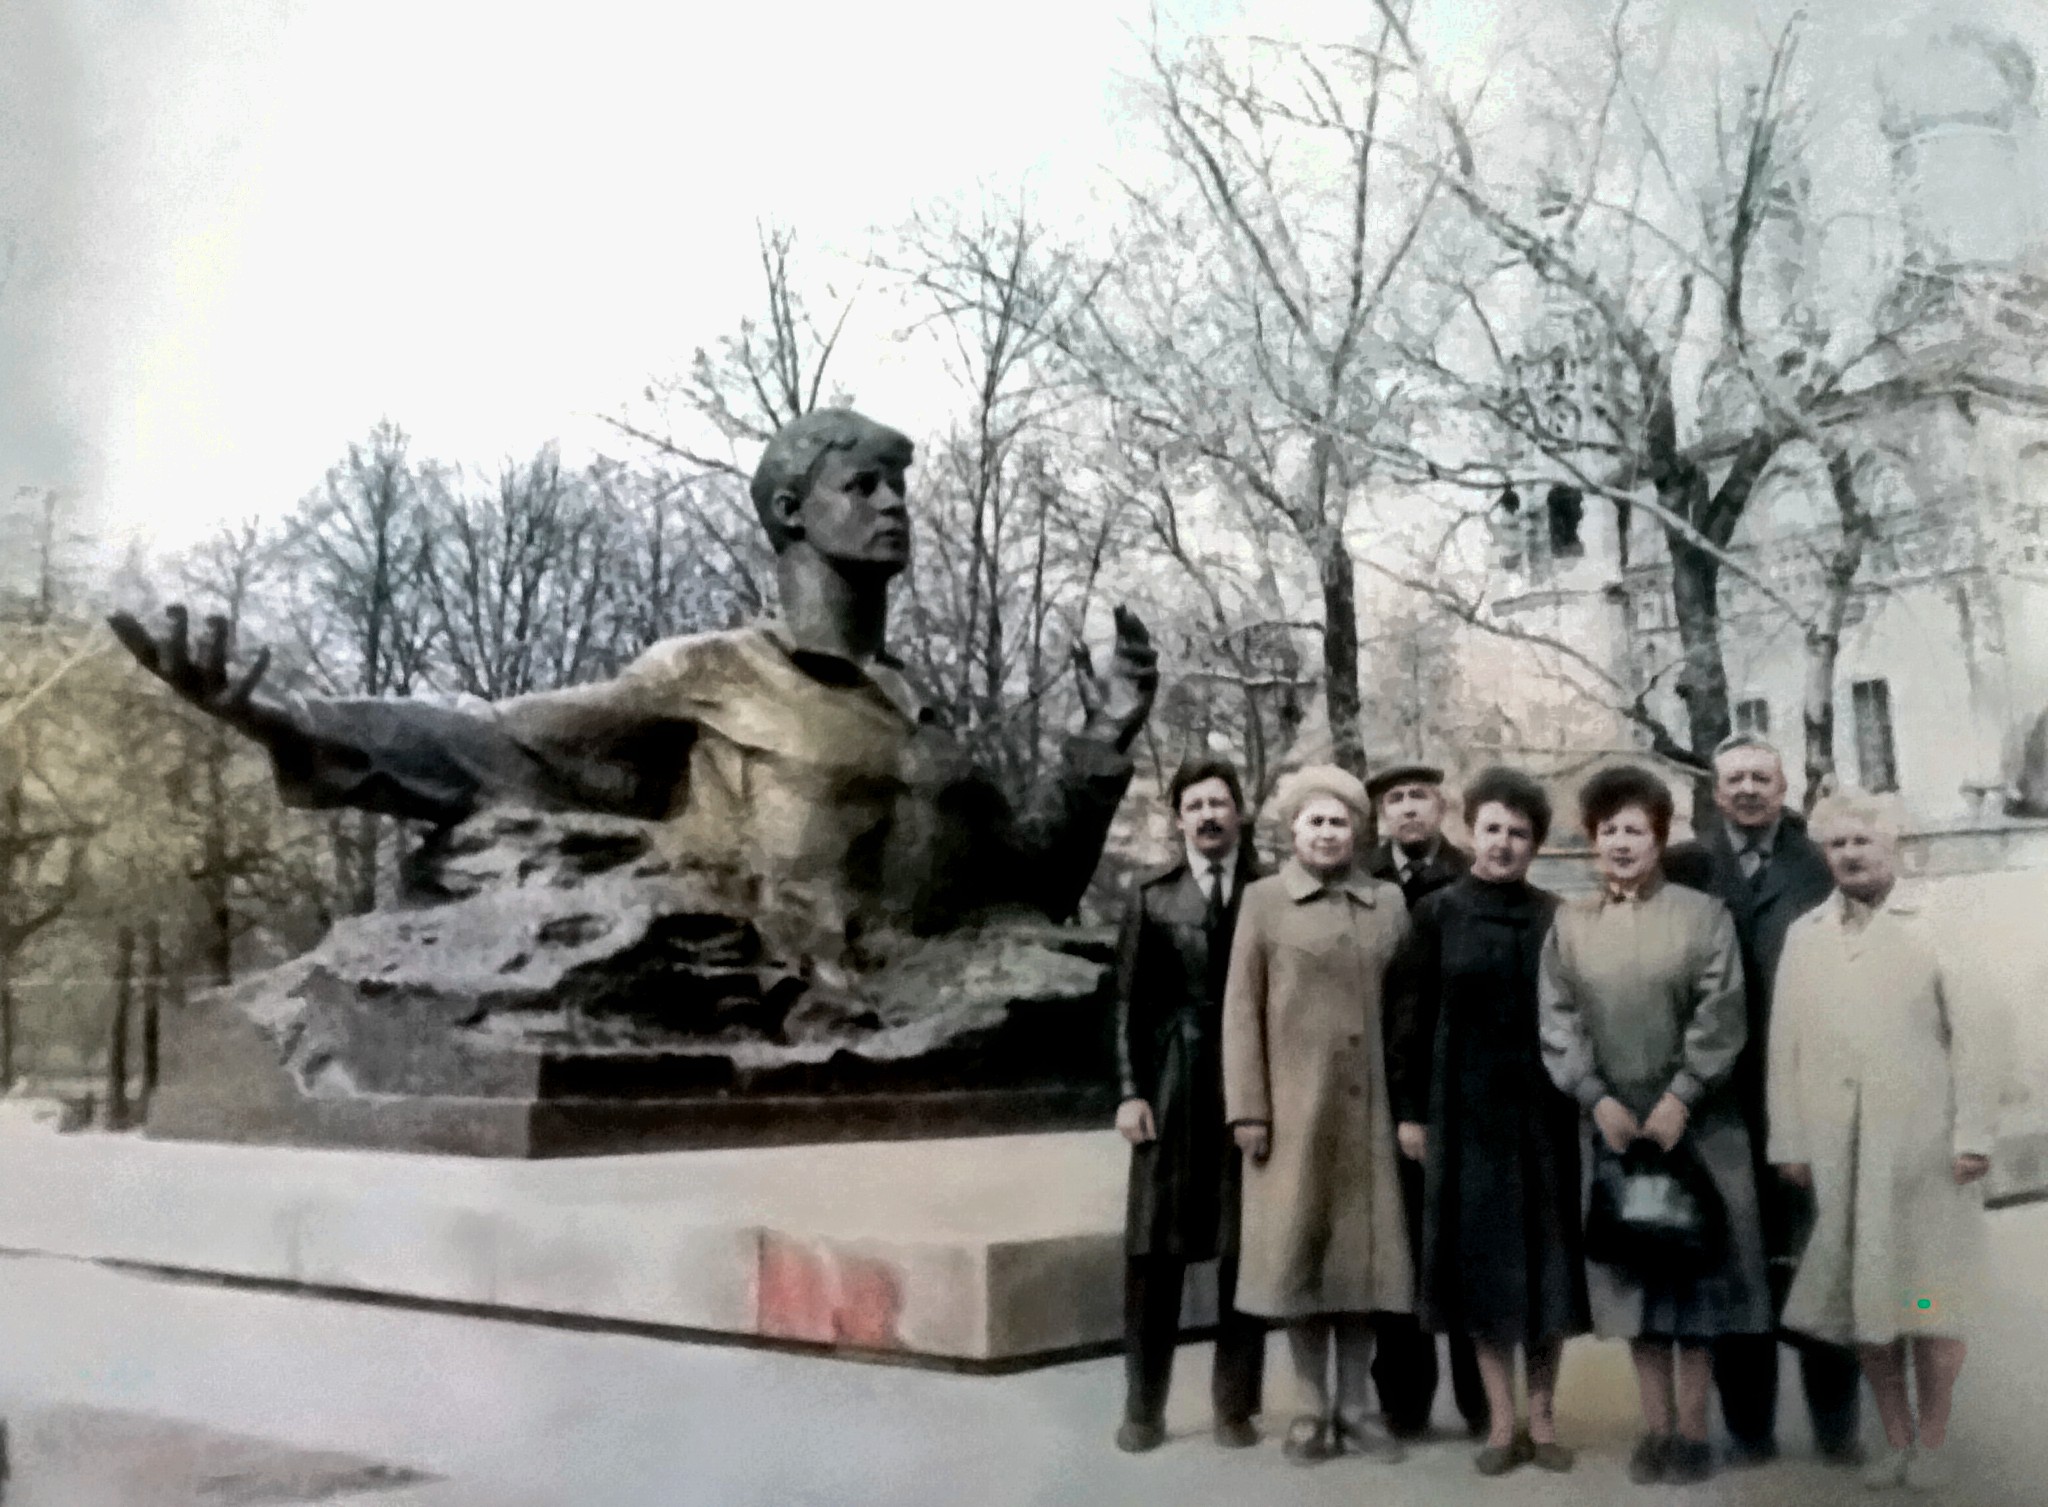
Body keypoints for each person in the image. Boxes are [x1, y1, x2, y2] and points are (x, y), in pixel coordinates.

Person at [105, 409, 1158, 943]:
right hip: (784, 1027)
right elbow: (497, 742)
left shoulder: (923, 715)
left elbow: (1026, 892)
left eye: (899, 489)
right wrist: (287, 723)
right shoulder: (713, 675)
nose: (894, 505)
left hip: (932, 1030)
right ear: (790, 511)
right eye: (865, 484)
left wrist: (1102, 742)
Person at [1538, 764, 1772, 1488]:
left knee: (1696, 1285)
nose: (1621, 842)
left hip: (1697, 1127)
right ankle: (1657, 1429)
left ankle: (1695, 1433)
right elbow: (1559, 1019)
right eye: (1608, 830)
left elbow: (1721, 1010)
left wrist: (1682, 1095)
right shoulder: (1570, 925)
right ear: (1592, 840)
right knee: (1636, 1284)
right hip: (1612, 1129)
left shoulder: (1703, 916)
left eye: (1635, 829)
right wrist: (1597, 1098)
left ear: (1660, 838)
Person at [1767, 791, 1996, 1492]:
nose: (1850, 854)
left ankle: (1933, 1437)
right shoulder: (1806, 934)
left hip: (1925, 1150)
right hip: (1842, 1149)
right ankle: (1895, 1438)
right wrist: (1790, 1140)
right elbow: (1786, 1044)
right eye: (1836, 844)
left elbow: (1977, 1037)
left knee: (1926, 1300)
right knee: (1869, 1304)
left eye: (1862, 841)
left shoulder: (1934, 922)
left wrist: (1974, 1133)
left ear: (1891, 844)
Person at [1664, 733, 1863, 1467]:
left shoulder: (1820, 862)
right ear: (1715, 793)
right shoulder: (1686, 867)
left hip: (1809, 1090)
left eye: (1761, 777)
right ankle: (1749, 1427)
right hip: (1718, 1098)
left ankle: (1837, 1426)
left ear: (1783, 788)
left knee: (1820, 1256)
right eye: (1734, 779)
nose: (1747, 789)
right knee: (1734, 1262)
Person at [1390, 767, 1588, 1477]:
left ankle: (1544, 1416)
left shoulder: (1558, 916)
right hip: (1463, 1116)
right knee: (1480, 1270)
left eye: (1519, 833)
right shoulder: (1436, 914)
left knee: (1546, 1267)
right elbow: (1407, 1024)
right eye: (1493, 828)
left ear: (1536, 843)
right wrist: (1411, 1113)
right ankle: (1502, 1423)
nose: (1503, 843)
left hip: (1543, 1117)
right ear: (1471, 829)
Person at [1223, 764, 1413, 1466]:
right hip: (1294, 1113)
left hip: (1371, 1114)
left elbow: (1410, 1006)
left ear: (1357, 831)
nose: (1328, 833)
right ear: (1293, 830)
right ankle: (1309, 1407)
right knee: (1299, 1258)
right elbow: (1240, 1010)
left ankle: (1357, 1408)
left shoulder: (1388, 901)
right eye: (1315, 821)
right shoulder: (1263, 901)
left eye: (1339, 821)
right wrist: (1249, 1108)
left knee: (1363, 1266)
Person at [1113, 758, 1269, 1453]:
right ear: (1179, 820)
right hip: (1173, 1081)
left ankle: (1235, 1407)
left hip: (1249, 1083)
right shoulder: (1152, 896)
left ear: (1239, 812)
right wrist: (1130, 1091)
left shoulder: (1269, 892)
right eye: (1195, 805)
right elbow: (1126, 1003)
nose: (1208, 815)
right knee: (1155, 1250)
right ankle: (1143, 1407)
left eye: (1219, 803)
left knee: (1244, 1247)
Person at [1364, 762, 1487, 1442]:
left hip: (1461, 1084)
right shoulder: (1362, 878)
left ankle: (1479, 1399)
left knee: (1463, 1245)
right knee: (1399, 1245)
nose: (1409, 807)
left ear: (1441, 807)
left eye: (1420, 796)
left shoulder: (1471, 872)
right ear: (1382, 813)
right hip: (1384, 1084)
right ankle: (1404, 1398)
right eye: (1396, 798)